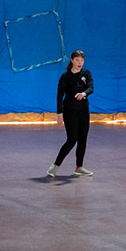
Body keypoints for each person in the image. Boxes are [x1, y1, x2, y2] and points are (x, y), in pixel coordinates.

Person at [49, 50, 95, 178]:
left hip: (83, 111)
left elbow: (91, 88)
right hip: (70, 112)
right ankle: (55, 165)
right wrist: (59, 114)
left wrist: (83, 93)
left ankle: (79, 167)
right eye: (77, 60)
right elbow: (59, 96)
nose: (80, 63)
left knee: (83, 139)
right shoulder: (65, 76)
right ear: (72, 60)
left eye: (82, 60)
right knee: (72, 139)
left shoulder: (86, 74)